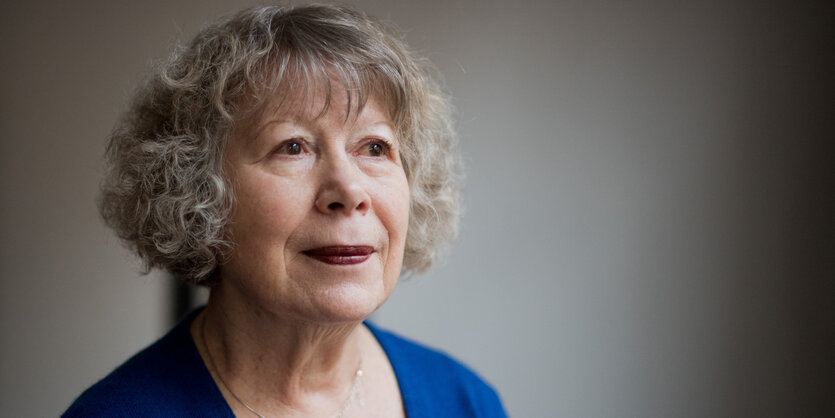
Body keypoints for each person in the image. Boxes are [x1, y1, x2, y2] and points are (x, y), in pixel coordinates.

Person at [63, 5, 506, 418]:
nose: (349, 190)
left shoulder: (465, 401)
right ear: (197, 192)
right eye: (292, 147)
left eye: (374, 148)